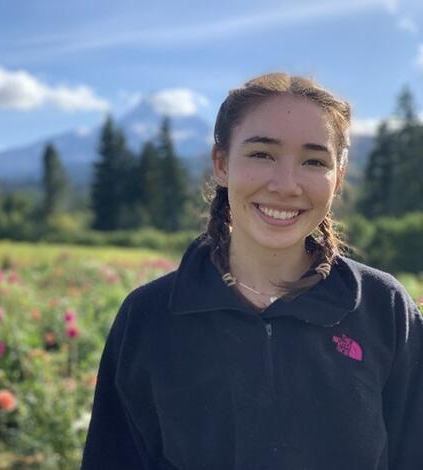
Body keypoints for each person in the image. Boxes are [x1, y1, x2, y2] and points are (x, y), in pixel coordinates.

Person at [81, 72, 423, 470]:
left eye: (314, 161)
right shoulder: (149, 316)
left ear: (339, 178)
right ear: (221, 164)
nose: (286, 184)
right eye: (262, 154)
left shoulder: (384, 309)